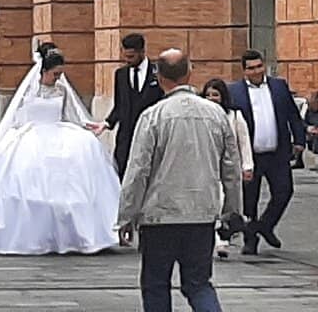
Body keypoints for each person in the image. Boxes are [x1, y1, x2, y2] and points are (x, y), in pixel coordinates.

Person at [0, 44, 120, 255]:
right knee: (27, 180)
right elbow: (17, 116)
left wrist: (87, 126)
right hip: (33, 134)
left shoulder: (61, 90)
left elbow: (71, 114)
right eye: (54, 74)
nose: (58, 78)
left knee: (70, 178)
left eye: (60, 74)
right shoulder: (29, 91)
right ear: (43, 71)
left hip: (59, 133)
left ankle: (71, 232)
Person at [119, 49, 241, 312]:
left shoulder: (152, 116)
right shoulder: (217, 115)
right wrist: (232, 210)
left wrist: (126, 215)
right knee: (198, 284)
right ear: (190, 72)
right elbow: (231, 168)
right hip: (201, 214)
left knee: (155, 284)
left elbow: (137, 171)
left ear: (159, 77)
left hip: (159, 216)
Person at [228, 50, 305, 255]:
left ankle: (265, 225)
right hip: (249, 155)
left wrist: (299, 140)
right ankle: (250, 240)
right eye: (251, 68)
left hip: (277, 152)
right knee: (249, 199)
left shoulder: (278, 86)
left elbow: (292, 115)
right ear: (244, 71)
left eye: (259, 66)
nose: (256, 71)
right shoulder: (234, 92)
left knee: (284, 191)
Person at [91, 33, 164, 178]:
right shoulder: (121, 74)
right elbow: (120, 106)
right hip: (125, 138)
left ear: (142, 52)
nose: (127, 60)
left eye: (131, 57)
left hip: (151, 136)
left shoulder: (158, 73)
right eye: (125, 55)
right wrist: (107, 123)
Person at [201, 78, 253, 258]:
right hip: (207, 165)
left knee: (227, 203)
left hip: (229, 167)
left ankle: (223, 239)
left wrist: (248, 166)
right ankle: (214, 239)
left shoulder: (235, 116)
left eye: (215, 95)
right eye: (207, 95)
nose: (211, 98)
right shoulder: (200, 116)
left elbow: (244, 142)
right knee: (212, 203)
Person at [298, 92, 318, 168]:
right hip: (310, 130)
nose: (310, 105)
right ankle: (299, 160)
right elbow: (302, 122)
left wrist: (316, 129)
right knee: (300, 134)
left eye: (312, 103)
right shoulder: (308, 111)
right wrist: (307, 128)